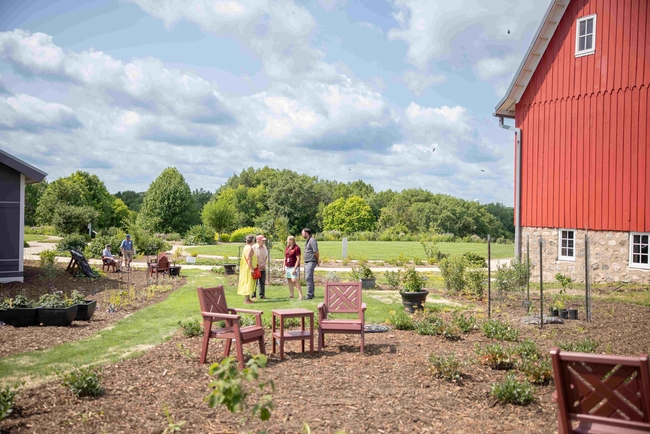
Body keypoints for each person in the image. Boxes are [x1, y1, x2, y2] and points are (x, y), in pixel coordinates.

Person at [237, 234, 258, 304]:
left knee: (247, 281)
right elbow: (249, 258)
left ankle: (248, 299)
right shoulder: (250, 248)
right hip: (248, 268)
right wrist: (252, 269)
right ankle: (246, 300)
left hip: (245, 267)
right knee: (248, 282)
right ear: (252, 240)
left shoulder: (246, 247)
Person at [301, 228, 319, 300]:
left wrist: (317, 260)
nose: (302, 235)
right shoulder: (308, 241)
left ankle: (309, 295)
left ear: (306, 233)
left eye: (302, 233)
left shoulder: (312, 240)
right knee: (309, 278)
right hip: (307, 262)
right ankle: (311, 293)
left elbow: (316, 252)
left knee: (308, 277)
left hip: (311, 261)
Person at [252, 235, 268, 299]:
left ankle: (262, 295)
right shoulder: (253, 247)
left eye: (264, 240)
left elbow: (266, 256)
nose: (263, 242)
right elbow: (252, 258)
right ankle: (253, 296)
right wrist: (257, 265)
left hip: (263, 267)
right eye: (262, 240)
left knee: (262, 282)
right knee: (254, 283)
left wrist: (264, 264)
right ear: (258, 240)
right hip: (256, 268)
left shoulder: (264, 247)